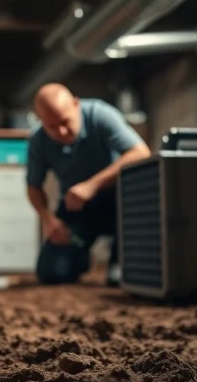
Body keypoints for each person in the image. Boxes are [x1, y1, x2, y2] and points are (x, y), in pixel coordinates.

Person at [26, 83, 151, 285]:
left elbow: (140, 152)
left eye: (65, 122)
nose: (61, 131)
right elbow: (33, 186)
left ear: (76, 105)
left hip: (118, 203)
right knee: (51, 273)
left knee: (119, 280)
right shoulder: (38, 140)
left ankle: (119, 259)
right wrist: (48, 219)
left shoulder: (100, 114)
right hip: (76, 207)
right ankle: (80, 255)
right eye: (51, 126)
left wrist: (92, 185)